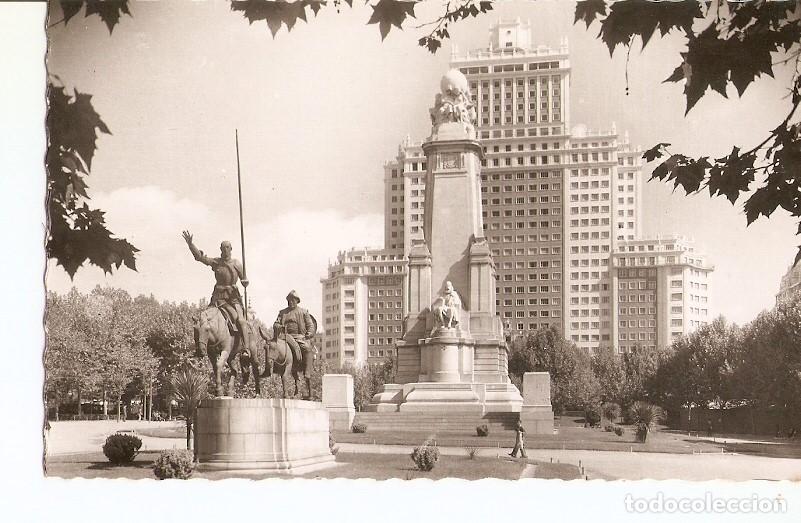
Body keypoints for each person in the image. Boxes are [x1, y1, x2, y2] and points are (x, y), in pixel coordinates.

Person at [182, 231, 250, 350]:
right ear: (220, 249)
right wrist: (191, 245)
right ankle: (201, 347)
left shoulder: (236, 264)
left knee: (241, 320)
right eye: (223, 248)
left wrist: (245, 282)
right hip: (217, 298)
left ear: (231, 249)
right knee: (203, 319)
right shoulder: (216, 262)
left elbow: (245, 279)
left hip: (232, 298)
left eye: (227, 248)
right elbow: (200, 257)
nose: (225, 250)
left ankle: (246, 348)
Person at [273, 290, 315, 377]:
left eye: (293, 300)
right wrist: (277, 326)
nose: (291, 302)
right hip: (284, 337)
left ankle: (307, 371)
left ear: (297, 301)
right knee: (272, 347)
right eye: (289, 300)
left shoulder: (304, 312)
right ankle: (273, 368)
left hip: (299, 337)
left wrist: (309, 333)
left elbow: (310, 325)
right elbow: (276, 323)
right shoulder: (282, 312)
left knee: (307, 349)